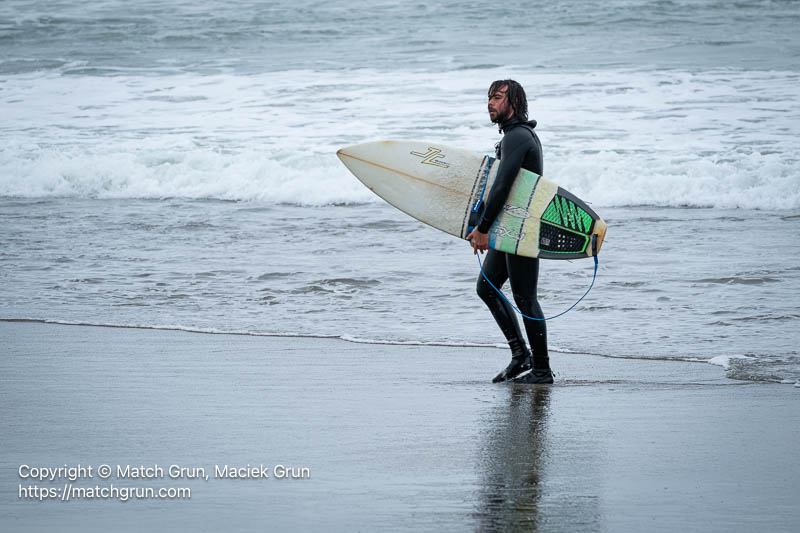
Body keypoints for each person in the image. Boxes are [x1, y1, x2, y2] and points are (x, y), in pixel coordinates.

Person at [466, 80, 554, 384]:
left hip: (521, 229)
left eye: (498, 97)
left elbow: (502, 185)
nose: (490, 103)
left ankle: (541, 370)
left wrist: (483, 228)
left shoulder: (517, 137)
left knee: (525, 298)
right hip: (510, 226)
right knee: (487, 287)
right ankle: (520, 355)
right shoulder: (515, 136)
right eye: (489, 97)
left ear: (514, 102)